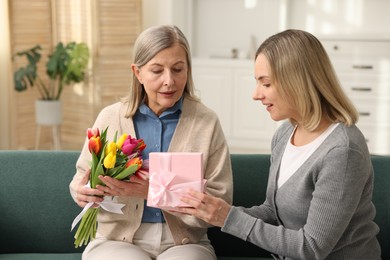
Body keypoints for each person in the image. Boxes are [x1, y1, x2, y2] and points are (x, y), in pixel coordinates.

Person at [174, 29, 381, 259]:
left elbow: (312, 248)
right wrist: (212, 213)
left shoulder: (342, 150)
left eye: (266, 83)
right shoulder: (285, 133)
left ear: (298, 82)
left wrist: (228, 218)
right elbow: (273, 212)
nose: (256, 94)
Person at [69, 25, 233, 260]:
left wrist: (152, 190)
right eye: (157, 70)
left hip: (185, 242)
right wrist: (81, 192)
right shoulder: (110, 117)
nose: (169, 81)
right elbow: (81, 177)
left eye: (178, 69)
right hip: (115, 239)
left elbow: (221, 199)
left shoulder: (206, 122)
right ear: (137, 72)